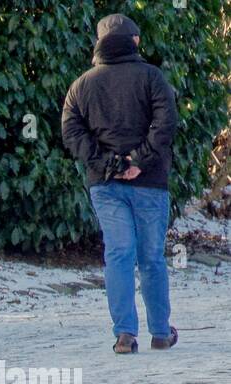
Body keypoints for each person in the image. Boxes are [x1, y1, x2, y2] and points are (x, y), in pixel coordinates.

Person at [61, 12, 179, 354]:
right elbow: (165, 124)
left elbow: (72, 132)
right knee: (151, 257)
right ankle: (160, 332)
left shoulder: (81, 85)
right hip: (150, 182)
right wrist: (137, 161)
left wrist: (108, 164)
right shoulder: (153, 78)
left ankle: (125, 334)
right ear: (134, 41)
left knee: (119, 254)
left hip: (105, 185)